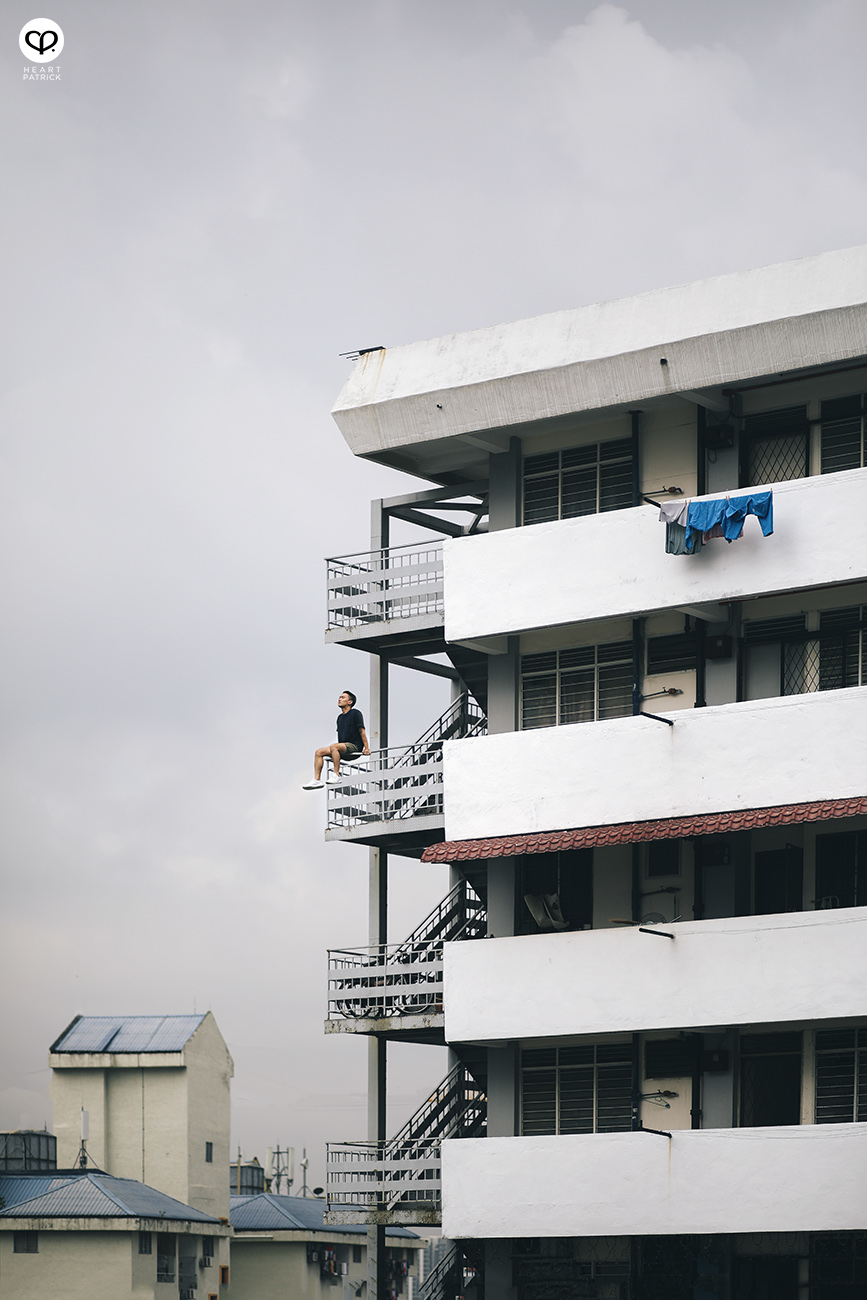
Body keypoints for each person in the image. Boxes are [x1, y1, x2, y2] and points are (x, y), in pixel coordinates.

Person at [302, 691, 371, 789]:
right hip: (342, 748)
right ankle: (317, 780)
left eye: (343, 697)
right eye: (339, 697)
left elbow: (362, 731)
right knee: (319, 752)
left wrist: (366, 748)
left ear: (350, 702)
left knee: (334, 746)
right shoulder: (340, 718)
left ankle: (336, 775)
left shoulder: (355, 713)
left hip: (354, 746)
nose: (339, 699)